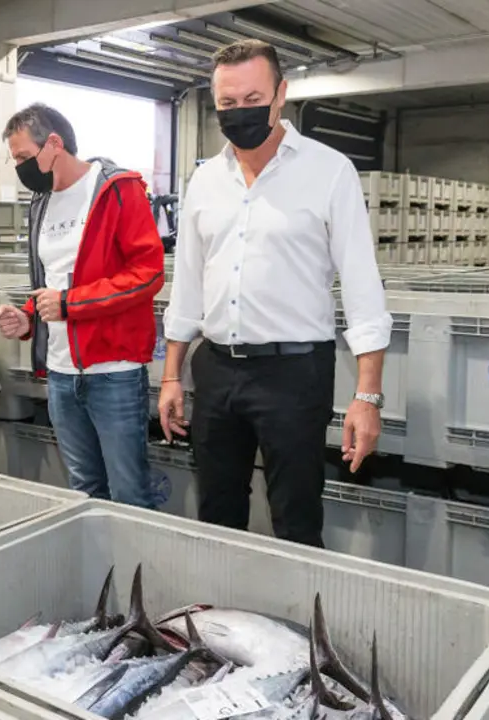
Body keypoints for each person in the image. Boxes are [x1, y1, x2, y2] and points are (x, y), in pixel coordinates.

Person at [157, 39, 392, 547]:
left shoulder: (328, 171)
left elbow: (361, 287)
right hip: (216, 369)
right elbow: (188, 287)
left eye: (252, 99)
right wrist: (172, 376)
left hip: (295, 373)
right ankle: (220, 622)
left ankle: (298, 625)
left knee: (296, 517)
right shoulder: (204, 181)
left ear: (280, 93)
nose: (239, 112)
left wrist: (367, 396)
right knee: (217, 514)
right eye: (227, 103)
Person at [0, 103, 165, 508]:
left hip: (113, 374)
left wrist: (71, 304)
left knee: (129, 494)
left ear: (54, 144)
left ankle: (133, 572)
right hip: (60, 374)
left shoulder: (116, 189)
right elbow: (53, 283)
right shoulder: (41, 202)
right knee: (85, 491)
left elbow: (147, 273)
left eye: (22, 157)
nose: (19, 167)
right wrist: (28, 318)